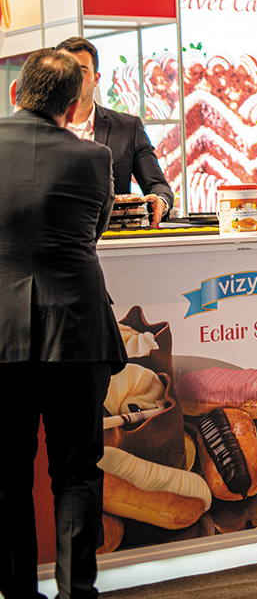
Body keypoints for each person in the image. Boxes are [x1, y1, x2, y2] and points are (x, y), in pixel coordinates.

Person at [0, 49, 128, 599]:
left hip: (2, 336)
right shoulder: (95, 158)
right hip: (77, 330)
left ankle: (16, 593)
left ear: (15, 93)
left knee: (7, 475)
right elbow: (93, 231)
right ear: (75, 106)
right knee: (77, 472)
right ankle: (78, 592)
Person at [55, 36, 174, 227]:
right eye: (65, 70)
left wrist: (160, 202)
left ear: (96, 79)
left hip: (113, 236)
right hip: (54, 238)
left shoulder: (127, 128)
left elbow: (157, 186)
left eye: (82, 71)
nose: (73, 78)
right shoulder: (39, 128)